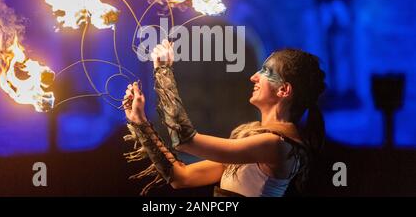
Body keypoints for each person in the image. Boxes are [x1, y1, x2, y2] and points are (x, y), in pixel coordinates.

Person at [123, 40, 326, 197]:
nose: (254, 77)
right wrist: (141, 123)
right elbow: (180, 177)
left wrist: (163, 71)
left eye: (265, 71)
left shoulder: (276, 145)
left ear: (283, 90)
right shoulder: (257, 143)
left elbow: (184, 140)